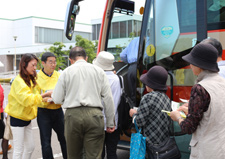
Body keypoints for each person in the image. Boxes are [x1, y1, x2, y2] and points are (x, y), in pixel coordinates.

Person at [51, 46, 115, 159]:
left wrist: (69, 98)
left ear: (71, 60)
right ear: (86, 58)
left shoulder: (66, 72)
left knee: (74, 155)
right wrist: (110, 122)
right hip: (95, 115)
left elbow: (56, 99)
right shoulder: (99, 71)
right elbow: (108, 98)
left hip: (73, 116)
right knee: (94, 155)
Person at [170, 43, 225, 159]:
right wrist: (191, 110)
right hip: (221, 148)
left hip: (205, 151)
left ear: (199, 65)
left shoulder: (200, 88)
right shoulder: (222, 82)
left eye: (192, 62)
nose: (190, 65)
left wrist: (177, 117)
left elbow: (188, 127)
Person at [4, 53, 52, 159]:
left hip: (27, 118)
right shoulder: (18, 81)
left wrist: (46, 100)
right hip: (17, 118)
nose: (35, 68)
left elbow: (35, 98)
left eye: (36, 66)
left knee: (30, 147)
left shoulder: (30, 79)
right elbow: (27, 99)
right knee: (18, 150)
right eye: (33, 65)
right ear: (24, 64)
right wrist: (45, 95)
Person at [129, 65, 172, 158]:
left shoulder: (148, 97)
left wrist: (134, 115)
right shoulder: (166, 98)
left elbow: (140, 122)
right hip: (163, 142)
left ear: (151, 84)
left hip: (150, 143)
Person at [36, 52, 67, 159]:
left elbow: (64, 91)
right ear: (43, 63)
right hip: (43, 112)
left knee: (64, 139)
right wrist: (46, 99)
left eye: (54, 62)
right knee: (45, 142)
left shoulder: (59, 75)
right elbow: (35, 97)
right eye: (50, 62)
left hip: (58, 111)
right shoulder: (36, 77)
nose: (53, 64)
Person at [92, 51, 122, 159]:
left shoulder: (95, 78)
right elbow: (116, 101)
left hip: (97, 121)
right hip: (113, 121)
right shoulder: (117, 79)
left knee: (98, 153)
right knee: (112, 152)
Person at [120, 37, 139, 104]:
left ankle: (133, 109)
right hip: (140, 67)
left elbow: (122, 55)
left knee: (133, 94)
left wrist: (129, 62)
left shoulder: (133, 41)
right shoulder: (149, 40)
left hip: (131, 68)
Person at [0, 84, 12, 159]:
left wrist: (5, 114)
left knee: (5, 135)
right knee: (5, 135)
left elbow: (3, 99)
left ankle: (5, 157)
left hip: (0, 113)